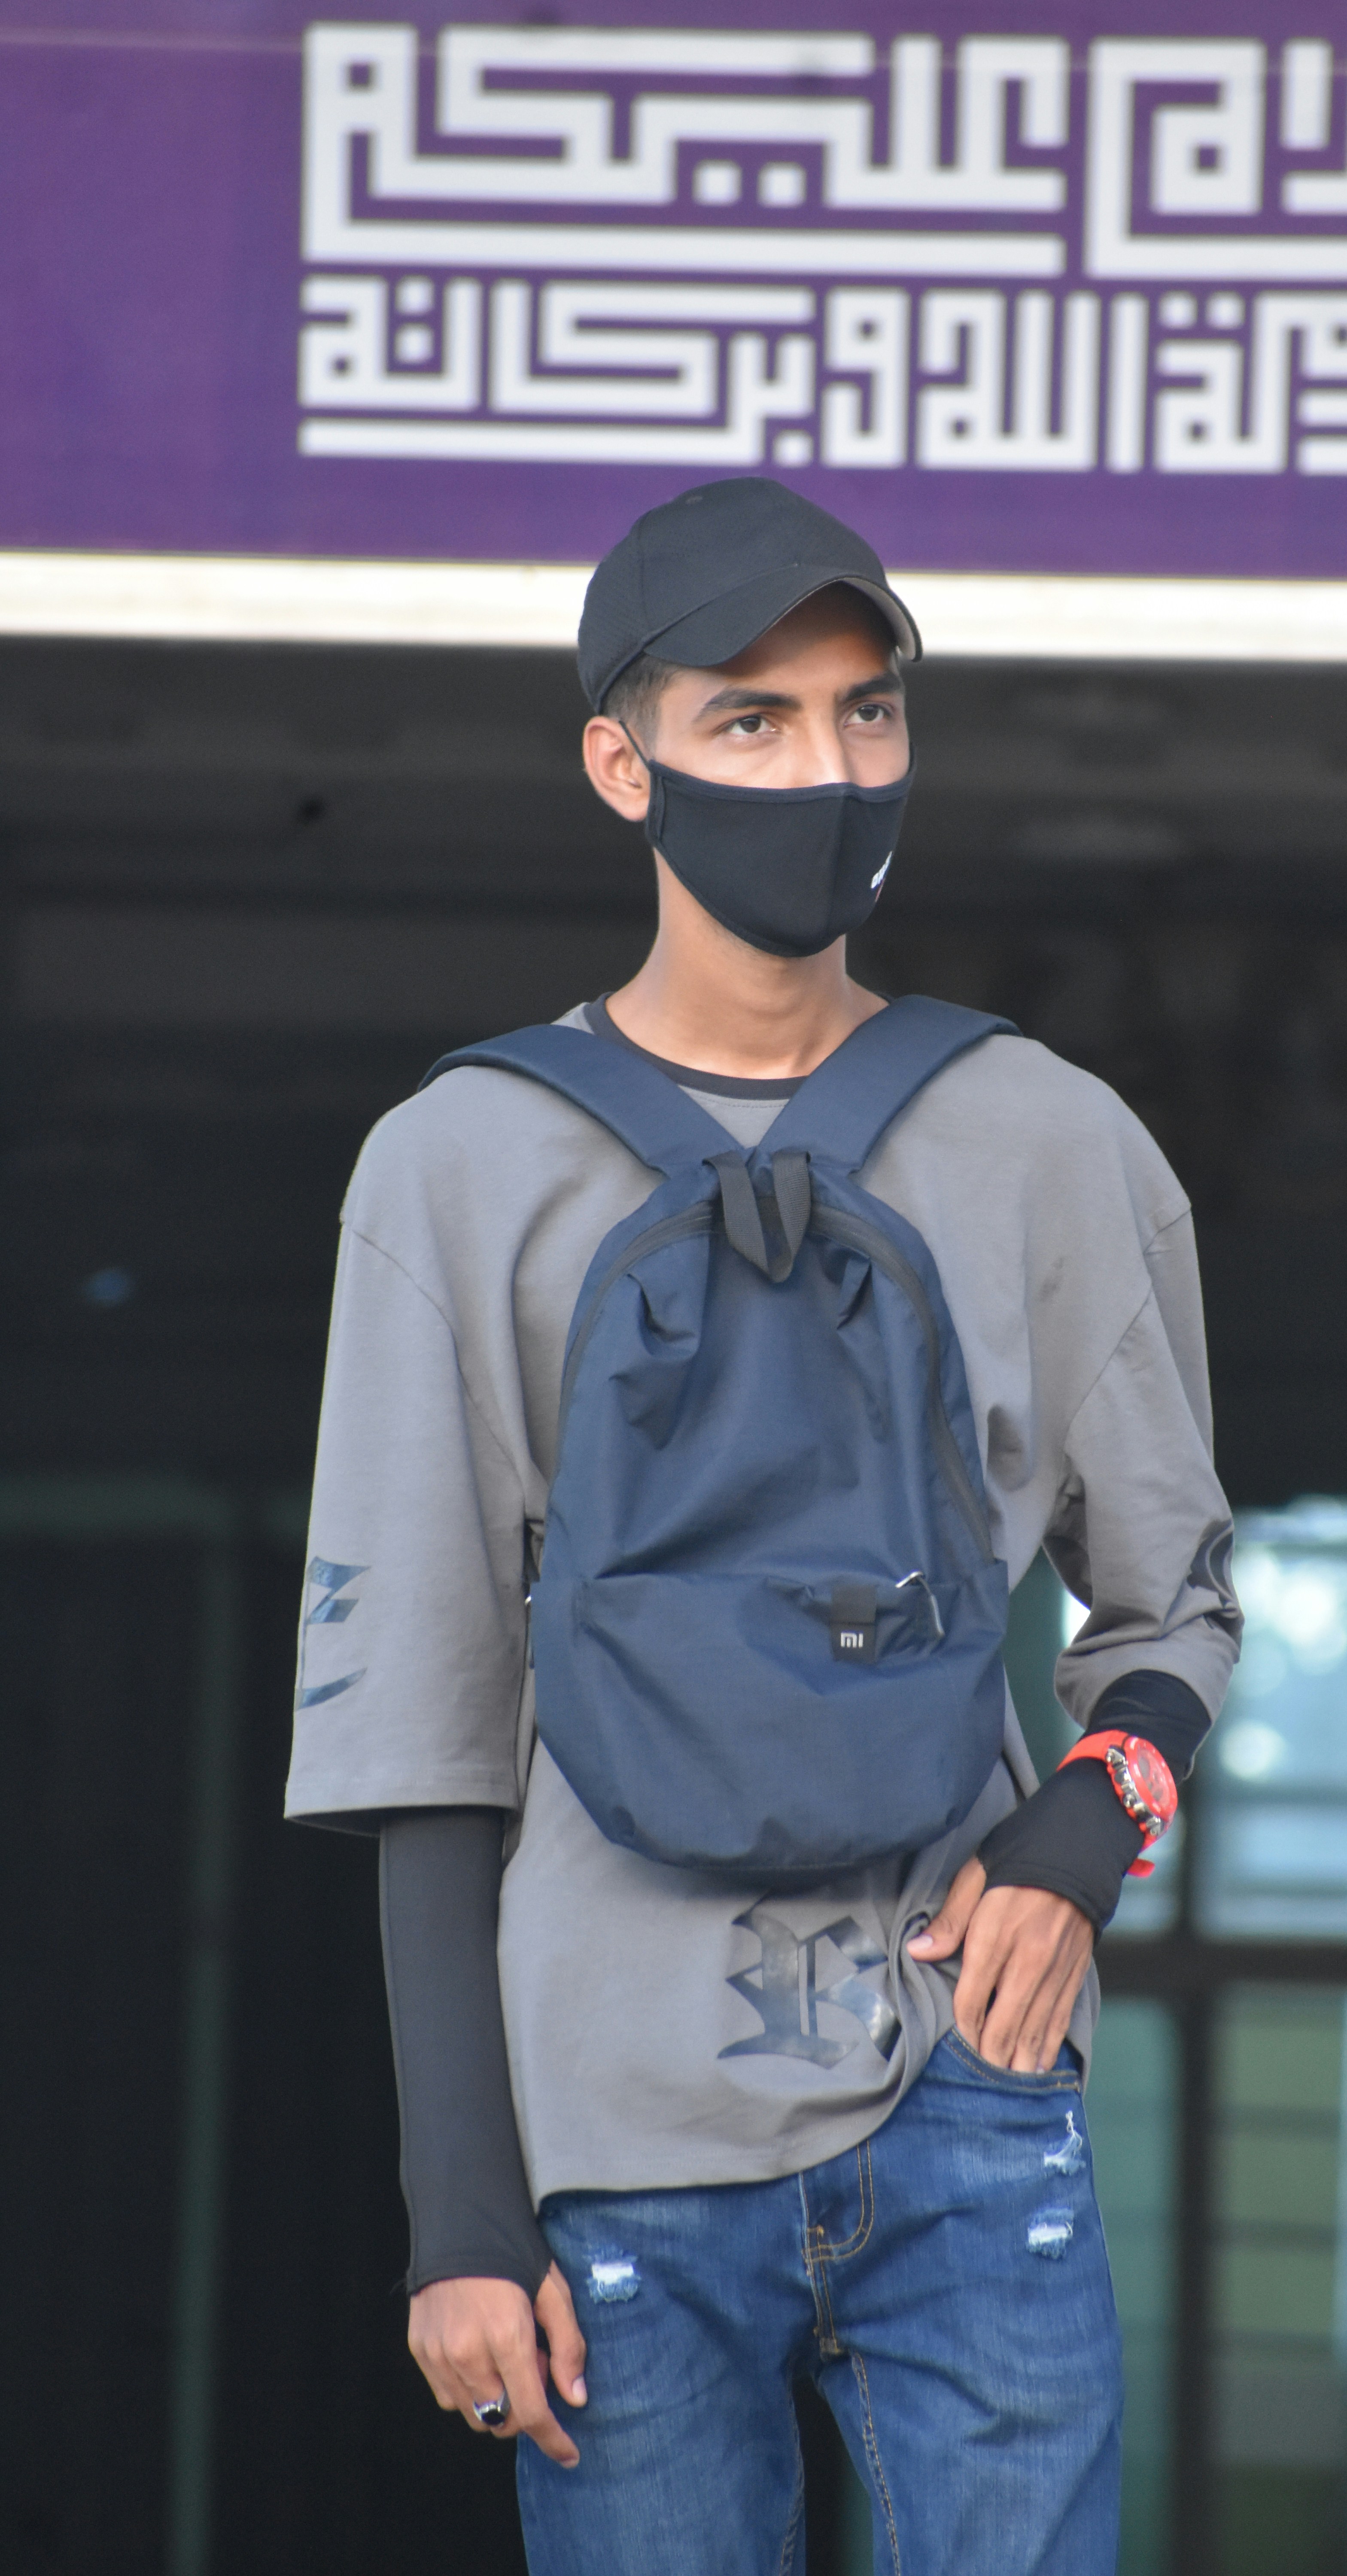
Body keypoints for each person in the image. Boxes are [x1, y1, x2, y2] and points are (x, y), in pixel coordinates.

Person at [286, 476, 1240, 2574]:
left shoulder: (1048, 1140)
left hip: (972, 2102)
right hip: (608, 2135)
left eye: (868, 714)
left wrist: (1076, 1847)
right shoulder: (459, 1165)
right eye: (753, 721)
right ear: (621, 763)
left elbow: (1177, 1612)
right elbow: (418, 1730)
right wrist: (463, 2218)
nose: (826, 771)